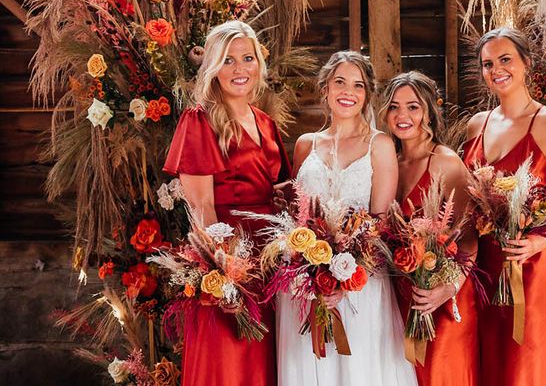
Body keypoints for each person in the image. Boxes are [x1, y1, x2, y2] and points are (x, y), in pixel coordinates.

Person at [276, 51, 417, 386]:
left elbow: (380, 223)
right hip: (305, 286)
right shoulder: (305, 145)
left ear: (367, 94)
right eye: (340, 81)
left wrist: (342, 280)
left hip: (360, 286)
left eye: (358, 85)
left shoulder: (379, 145)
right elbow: (300, 216)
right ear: (325, 88)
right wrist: (313, 274)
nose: (347, 91)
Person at [163, 20, 290, 386]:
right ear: (214, 67)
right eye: (228, 60)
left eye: (247, 58)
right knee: (231, 366)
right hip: (230, 262)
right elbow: (201, 209)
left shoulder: (266, 123)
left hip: (271, 263)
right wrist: (224, 277)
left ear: (259, 65)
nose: (240, 69)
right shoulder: (200, 120)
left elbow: (274, 187)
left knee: (267, 365)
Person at [462, 27, 546, 384]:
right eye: (487, 64)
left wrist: (539, 240)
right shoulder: (476, 126)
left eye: (505, 60)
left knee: (526, 364)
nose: (496, 70)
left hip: (529, 265)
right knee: (486, 362)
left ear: (526, 63)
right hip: (482, 267)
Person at [382, 71, 479, 386]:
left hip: (443, 296)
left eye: (413, 106)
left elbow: (468, 239)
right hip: (402, 295)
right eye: (394, 107)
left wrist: (448, 288)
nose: (402, 115)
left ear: (428, 112)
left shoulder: (445, 162)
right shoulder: (390, 163)